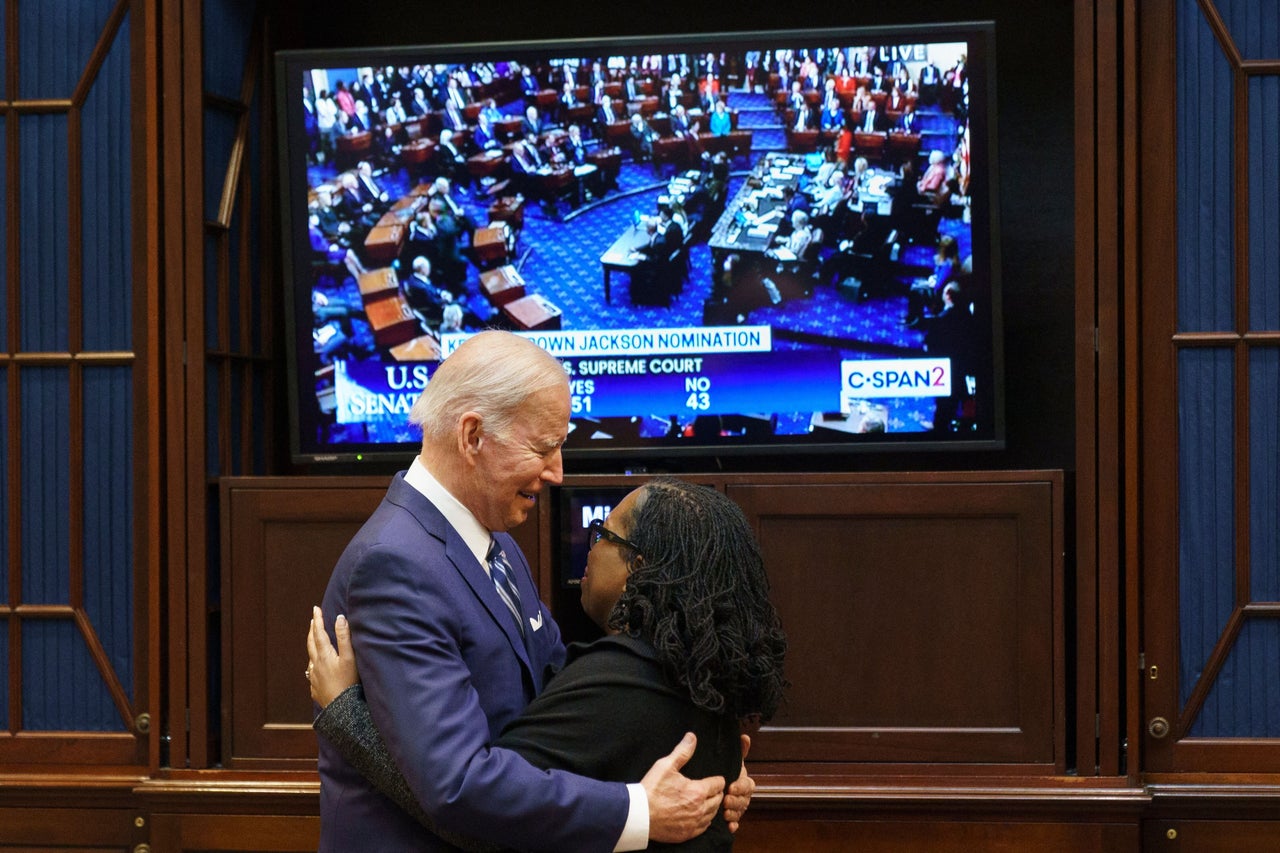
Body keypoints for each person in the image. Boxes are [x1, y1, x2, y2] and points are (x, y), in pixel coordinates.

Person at [308, 332, 748, 852]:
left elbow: (564, 693)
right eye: (543, 447)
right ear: (472, 436)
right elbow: (457, 786)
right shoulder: (394, 565)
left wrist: (710, 769)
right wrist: (638, 812)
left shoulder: (497, 545)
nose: (557, 472)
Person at [308, 477, 787, 852]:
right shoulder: (704, 675)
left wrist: (347, 712)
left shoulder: (614, 685)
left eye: (601, 534)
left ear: (638, 568)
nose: (588, 547)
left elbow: (480, 820)